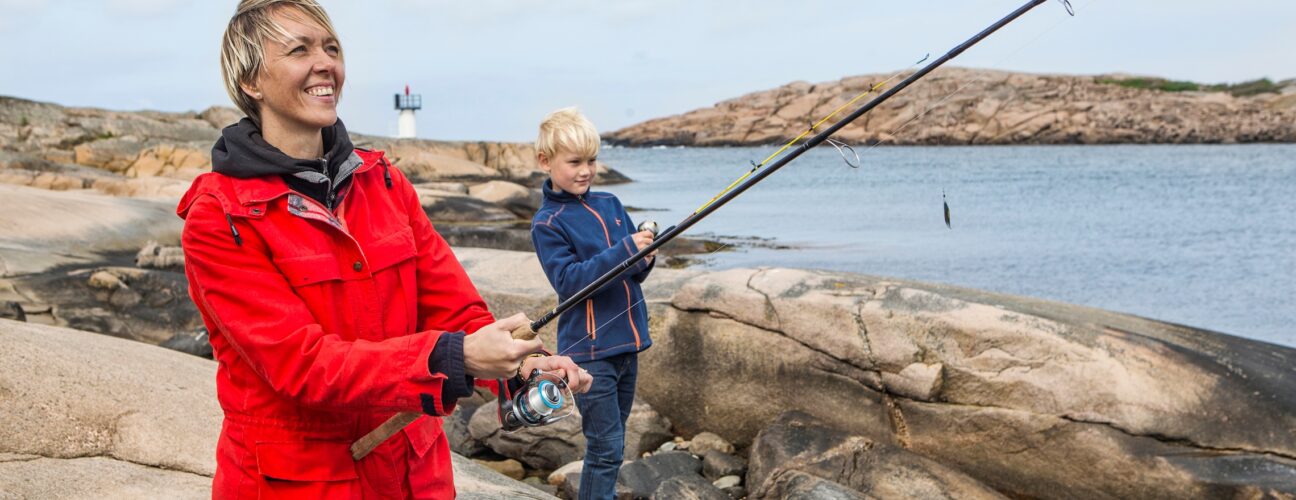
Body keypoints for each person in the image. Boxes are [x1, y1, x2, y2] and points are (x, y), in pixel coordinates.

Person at [179, 1, 591, 497]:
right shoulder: (219, 217)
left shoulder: (386, 182)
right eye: (299, 50)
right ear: (251, 81)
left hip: (415, 474)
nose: (325, 63)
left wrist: (522, 366)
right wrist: (459, 357)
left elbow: (454, 307)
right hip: (300, 483)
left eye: (332, 47)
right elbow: (303, 366)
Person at [529, 108, 656, 499]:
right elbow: (569, 282)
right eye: (574, 162)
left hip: (627, 345)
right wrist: (624, 252)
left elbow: (630, 273)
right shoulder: (547, 223)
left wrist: (645, 258)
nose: (585, 170)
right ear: (545, 162)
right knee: (605, 448)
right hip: (589, 352)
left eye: (591, 160)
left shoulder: (611, 203)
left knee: (614, 446)